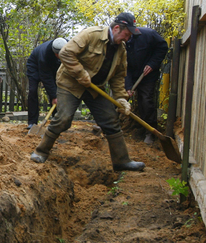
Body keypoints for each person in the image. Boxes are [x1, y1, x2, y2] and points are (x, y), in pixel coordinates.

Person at [30, 12, 145, 172]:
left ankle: (122, 161)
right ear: (117, 28)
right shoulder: (91, 35)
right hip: (71, 83)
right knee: (64, 118)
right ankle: (40, 152)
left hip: (95, 88)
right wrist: (81, 73)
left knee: (111, 120)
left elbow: (119, 76)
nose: (128, 38)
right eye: (126, 34)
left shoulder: (121, 50)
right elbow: (66, 53)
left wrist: (121, 98)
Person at [125, 27, 169, 145]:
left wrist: (152, 64)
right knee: (121, 98)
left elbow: (163, 47)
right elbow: (123, 66)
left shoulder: (148, 34)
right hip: (129, 73)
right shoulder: (120, 42)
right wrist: (128, 86)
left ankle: (150, 131)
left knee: (145, 100)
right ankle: (112, 127)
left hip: (147, 74)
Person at [26, 38, 67, 129]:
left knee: (56, 91)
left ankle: (56, 120)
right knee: (32, 91)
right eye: (57, 54)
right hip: (34, 66)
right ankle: (32, 122)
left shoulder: (70, 47)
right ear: (54, 52)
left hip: (52, 67)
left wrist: (55, 95)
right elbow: (46, 77)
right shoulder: (45, 55)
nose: (59, 56)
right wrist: (53, 96)